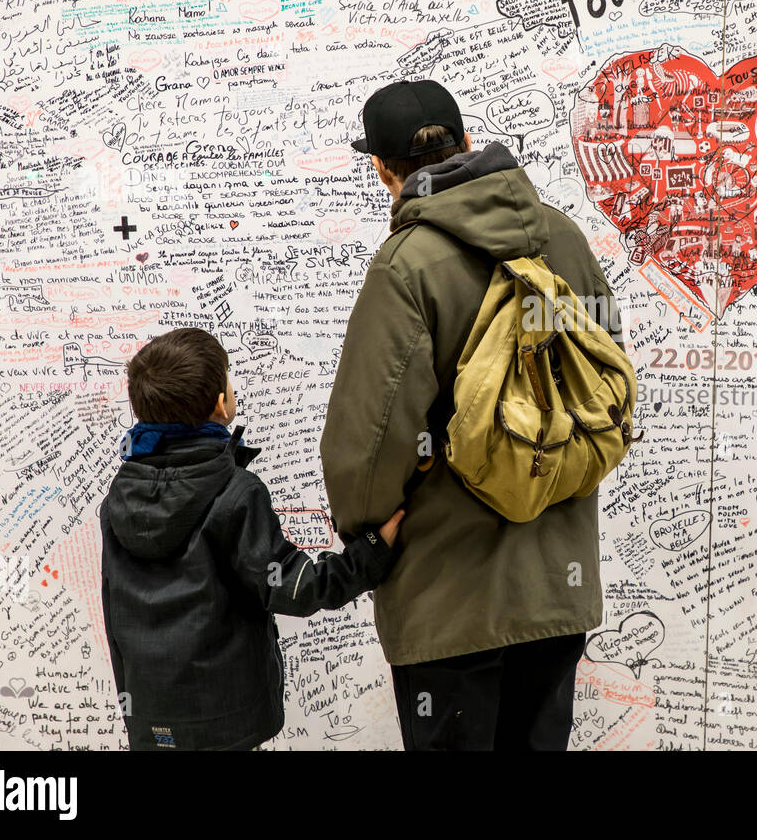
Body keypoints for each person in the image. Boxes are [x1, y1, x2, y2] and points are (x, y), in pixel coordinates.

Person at [322, 78, 627, 750]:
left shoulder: (407, 265)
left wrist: (367, 531)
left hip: (449, 600)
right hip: (556, 591)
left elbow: (371, 434)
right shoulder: (562, 238)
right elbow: (606, 378)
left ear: (384, 171)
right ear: (467, 142)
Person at [100, 327, 405, 750]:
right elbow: (296, 587)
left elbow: (114, 609)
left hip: (151, 716)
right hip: (228, 720)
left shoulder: (117, 498)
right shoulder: (236, 494)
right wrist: (371, 552)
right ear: (221, 404)